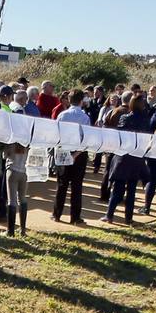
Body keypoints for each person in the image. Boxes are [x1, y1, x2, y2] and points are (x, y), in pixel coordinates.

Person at [105, 95, 153, 224]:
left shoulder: (125, 118)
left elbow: (119, 136)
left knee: (118, 189)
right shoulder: (146, 121)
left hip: (124, 156)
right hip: (137, 157)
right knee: (131, 190)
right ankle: (128, 218)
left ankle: (109, 215)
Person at [52, 89, 91, 225]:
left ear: (69, 100)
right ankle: (75, 217)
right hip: (79, 153)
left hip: (64, 150)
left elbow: (57, 134)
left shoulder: (62, 115)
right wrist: (76, 154)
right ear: (81, 101)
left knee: (62, 184)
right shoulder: (85, 117)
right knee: (77, 186)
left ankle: (56, 214)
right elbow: (85, 139)